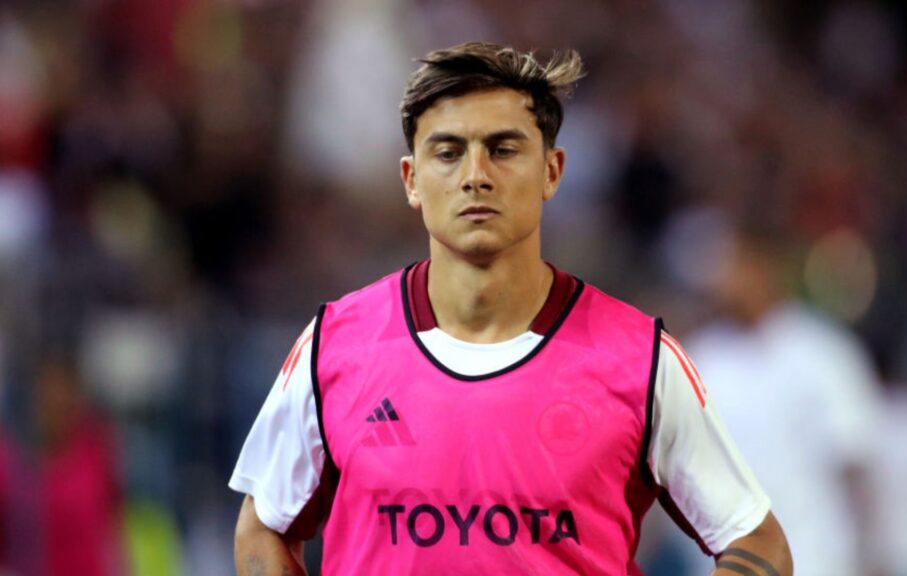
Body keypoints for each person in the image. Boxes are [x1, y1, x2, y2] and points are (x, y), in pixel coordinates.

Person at [230, 42, 791, 575]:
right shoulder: (334, 346)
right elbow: (262, 529)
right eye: (448, 153)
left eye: (503, 149)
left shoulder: (640, 359)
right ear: (411, 180)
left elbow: (757, 540)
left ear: (552, 171)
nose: (475, 176)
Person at [680, 223, 879, 576]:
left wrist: (872, 555)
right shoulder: (699, 358)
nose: (726, 279)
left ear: (766, 267)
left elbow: (856, 466)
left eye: (738, 265)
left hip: (816, 563)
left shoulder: (824, 353)